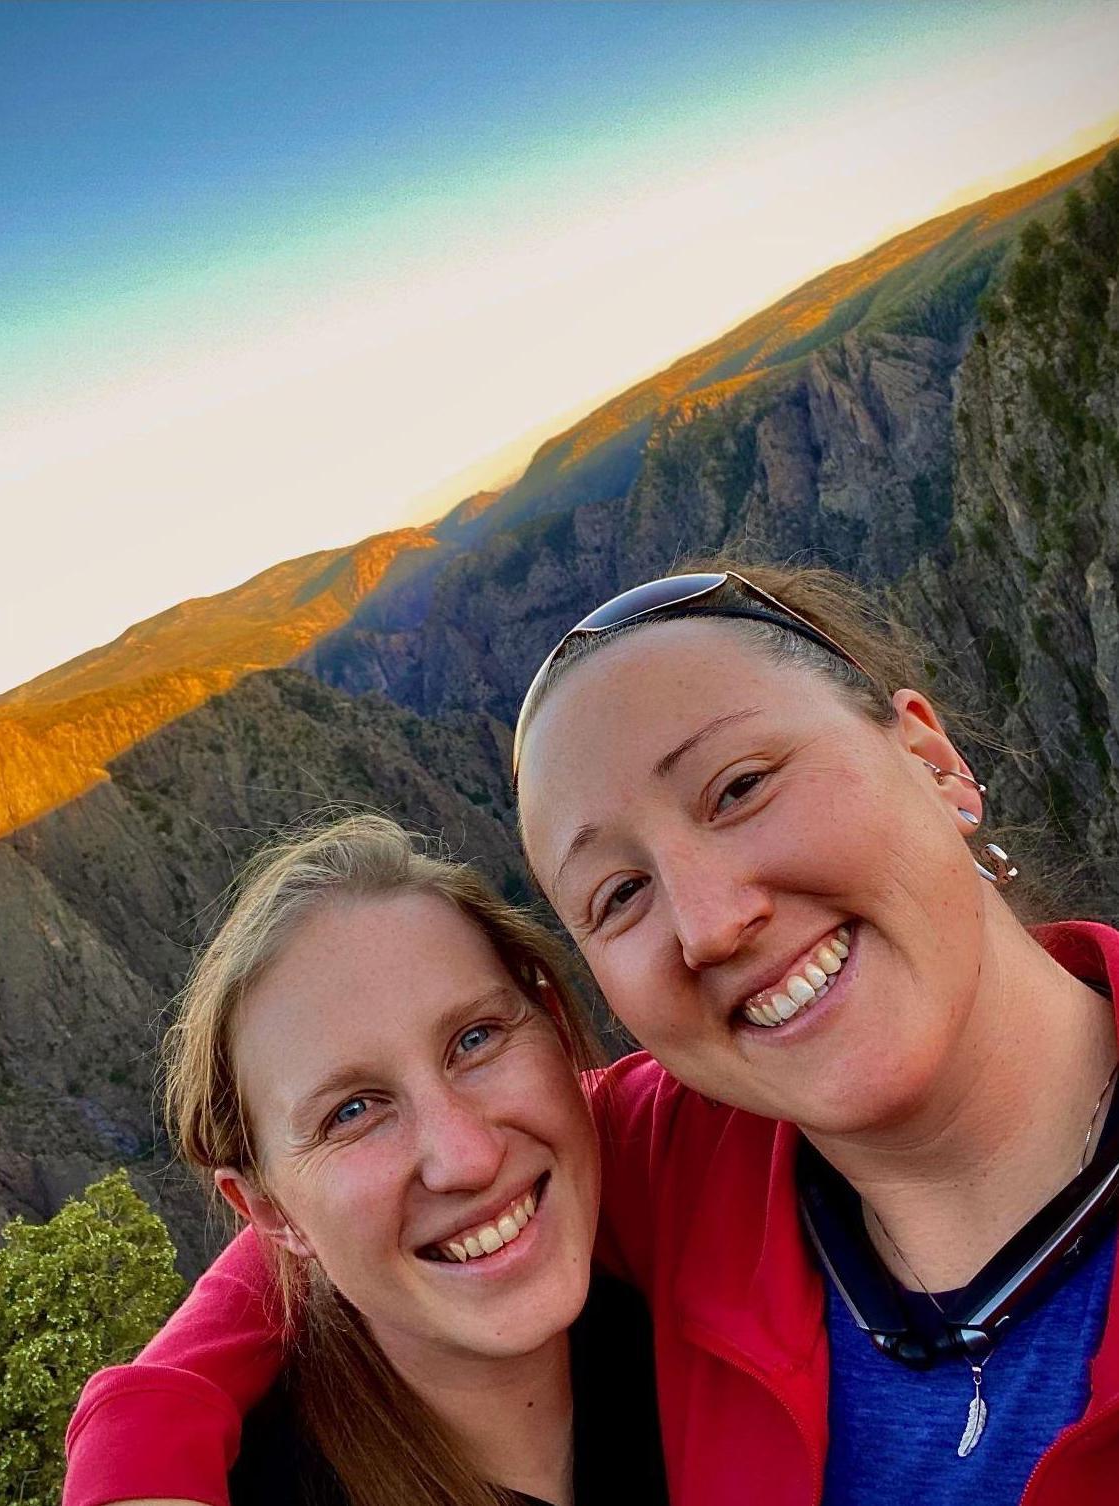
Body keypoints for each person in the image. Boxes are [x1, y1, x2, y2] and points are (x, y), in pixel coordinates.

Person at [64, 560, 1119, 1506]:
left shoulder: (666, 1156)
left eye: (741, 786)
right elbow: (328, 1215)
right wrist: (143, 1444)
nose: (710, 922)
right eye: (619, 894)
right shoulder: (698, 1160)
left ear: (936, 761)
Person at [64, 814, 666, 1506]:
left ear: (555, 1027)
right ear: (271, 1213)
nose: (464, 1158)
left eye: (475, 1039)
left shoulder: (701, 1316)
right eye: (352, 1112)